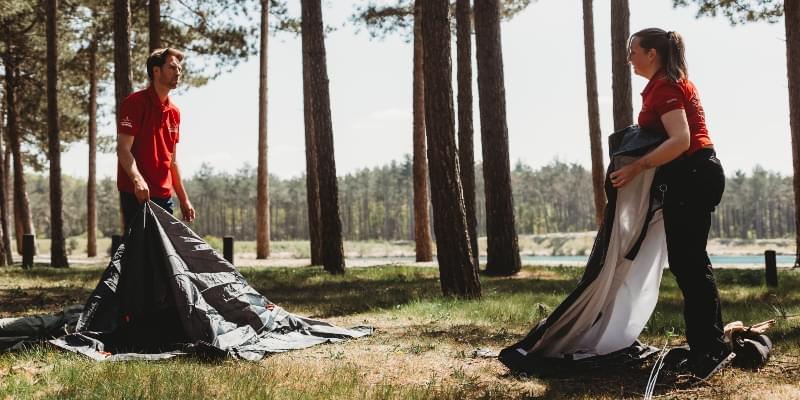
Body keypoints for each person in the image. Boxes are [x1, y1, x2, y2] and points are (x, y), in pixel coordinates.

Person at [610, 28, 732, 380]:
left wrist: (637, 166)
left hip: (694, 175)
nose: (629, 57)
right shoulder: (666, 83)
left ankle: (707, 349)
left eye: (633, 50)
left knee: (689, 264)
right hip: (694, 175)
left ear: (652, 53)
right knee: (691, 263)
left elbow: (681, 140)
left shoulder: (665, 86)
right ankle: (709, 344)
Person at [117, 48, 196, 234]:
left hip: (164, 196)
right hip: (137, 194)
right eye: (172, 67)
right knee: (139, 254)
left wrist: (184, 199)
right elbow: (123, 149)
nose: (178, 72)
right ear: (156, 71)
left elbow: (172, 160)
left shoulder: (174, 113)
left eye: (179, 68)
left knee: (163, 255)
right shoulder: (135, 103)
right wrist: (137, 181)